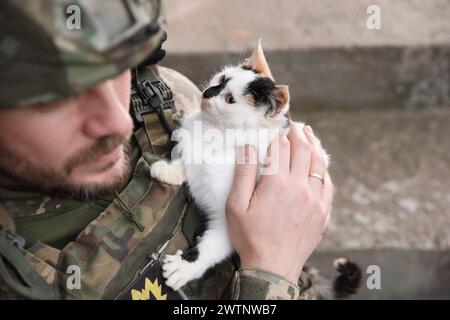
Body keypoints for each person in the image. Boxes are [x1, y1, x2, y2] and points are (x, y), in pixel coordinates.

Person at [0, 0, 332, 300]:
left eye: (118, 68)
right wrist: (271, 274)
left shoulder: (167, 96)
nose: (119, 122)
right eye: (57, 97)